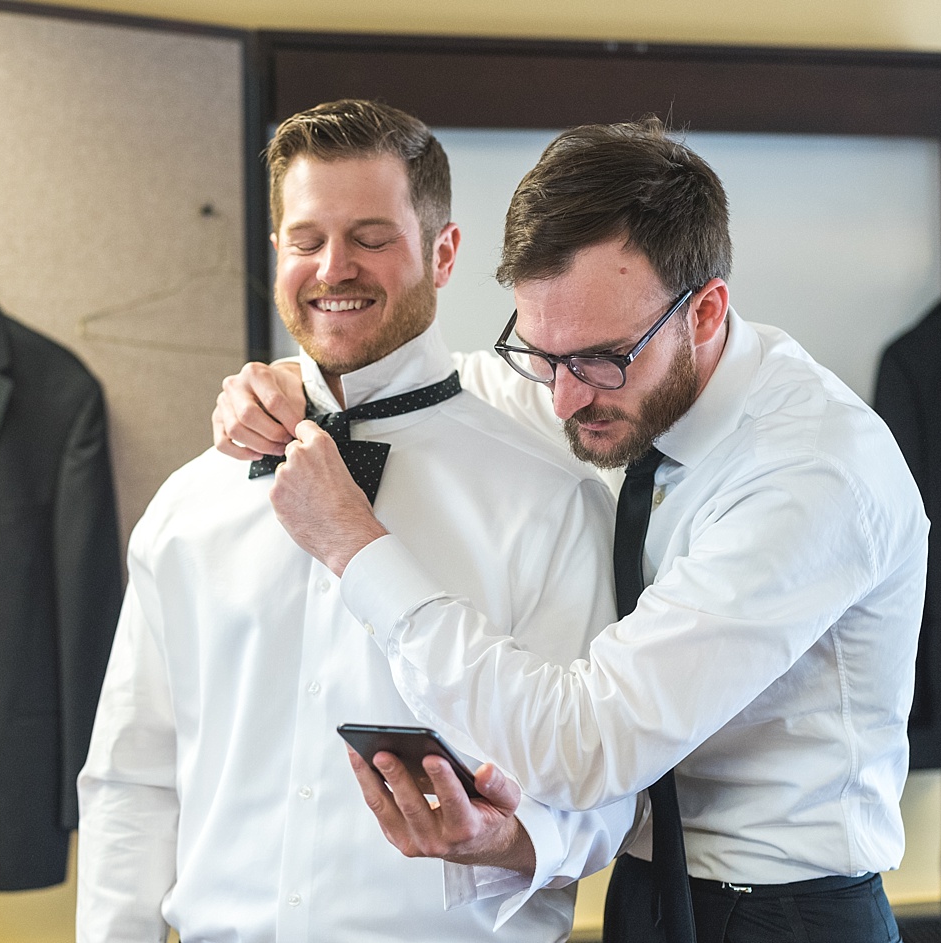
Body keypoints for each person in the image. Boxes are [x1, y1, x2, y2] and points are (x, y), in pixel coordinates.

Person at [213, 118, 927, 942]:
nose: (560, 398)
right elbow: (426, 395)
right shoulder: (602, 371)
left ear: (705, 312)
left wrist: (356, 548)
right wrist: (268, 390)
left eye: (594, 360)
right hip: (647, 892)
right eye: (540, 354)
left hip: (784, 913)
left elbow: (587, 744)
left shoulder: (810, 472)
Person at [77, 99, 635, 943]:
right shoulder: (189, 507)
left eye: (372, 237)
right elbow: (133, 778)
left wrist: (512, 841)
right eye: (307, 240)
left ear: (444, 253)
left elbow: (603, 791)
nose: (335, 268)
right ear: (277, 256)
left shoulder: (549, 500)